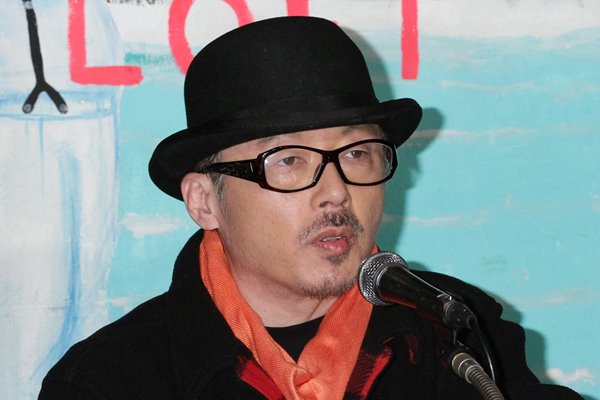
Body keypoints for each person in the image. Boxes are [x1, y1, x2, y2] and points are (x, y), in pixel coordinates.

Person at [39, 16, 583, 400]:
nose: (337, 192)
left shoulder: (454, 330)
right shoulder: (109, 380)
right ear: (204, 201)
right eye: (289, 161)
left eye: (358, 153)